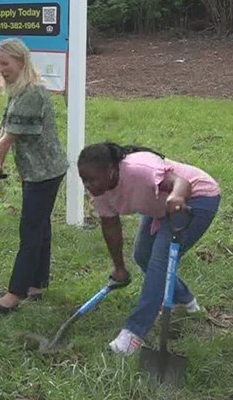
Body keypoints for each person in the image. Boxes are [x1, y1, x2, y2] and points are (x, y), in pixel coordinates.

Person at [77, 142, 221, 354]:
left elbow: (181, 183)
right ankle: (184, 300)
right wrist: (119, 267)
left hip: (196, 198)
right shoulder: (100, 190)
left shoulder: (139, 170)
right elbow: (110, 225)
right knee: (142, 255)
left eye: (92, 179)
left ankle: (134, 332)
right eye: (84, 179)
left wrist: (177, 196)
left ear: (110, 171)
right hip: (161, 206)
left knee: (159, 262)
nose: (87, 185)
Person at [0, 39, 68, 314]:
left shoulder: (33, 93)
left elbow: (8, 138)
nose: (1, 69)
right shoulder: (18, 90)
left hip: (45, 171)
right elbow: (6, 130)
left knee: (30, 230)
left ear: (21, 62)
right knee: (40, 227)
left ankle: (14, 295)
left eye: (5, 64)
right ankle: (36, 285)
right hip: (36, 170)